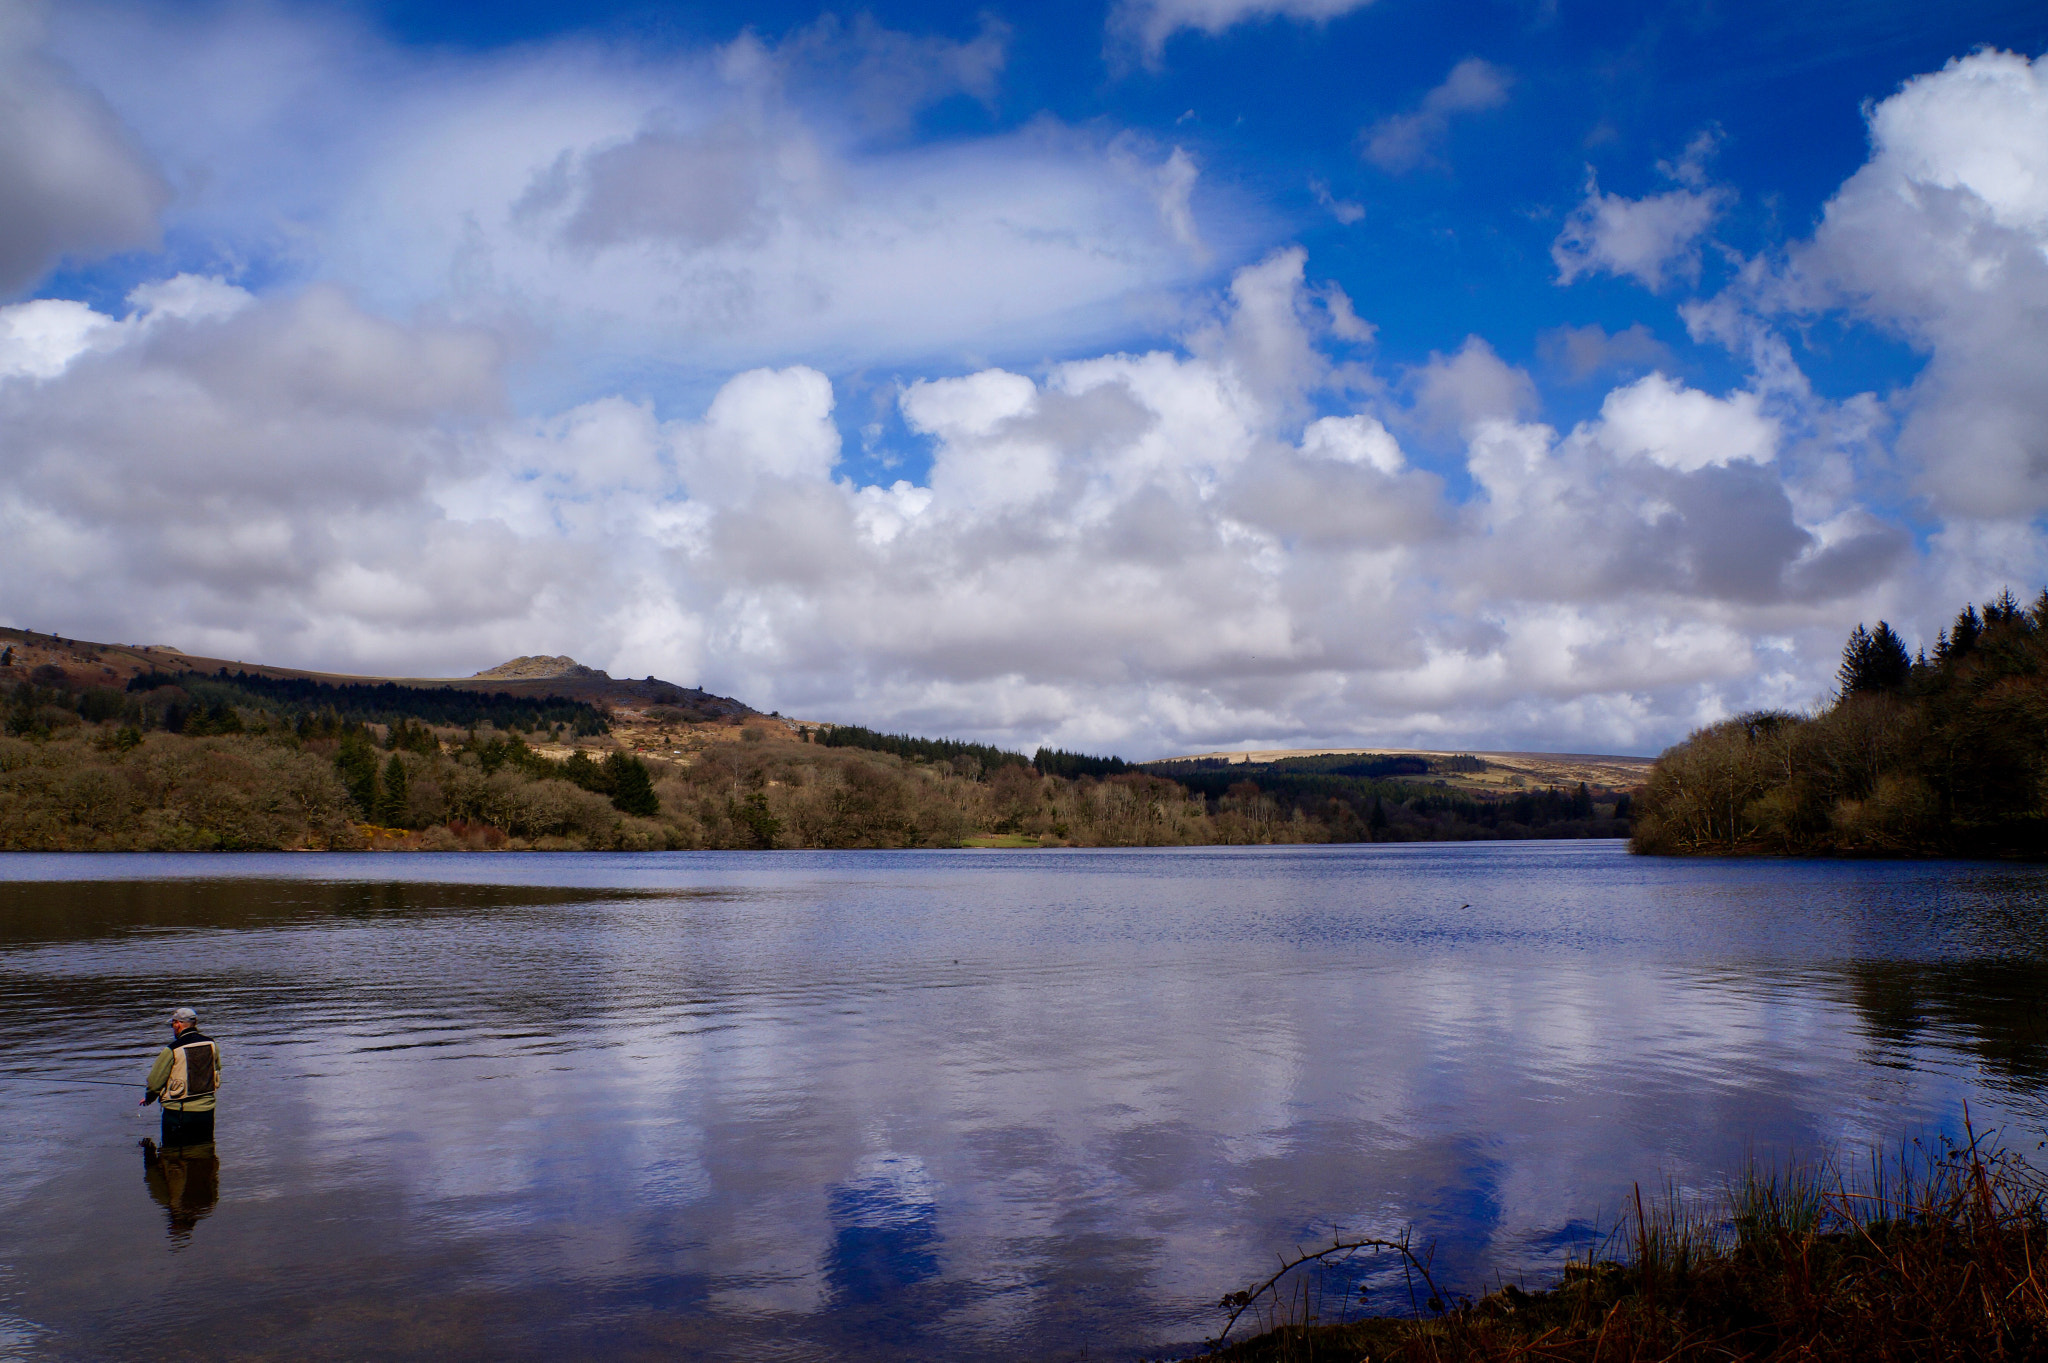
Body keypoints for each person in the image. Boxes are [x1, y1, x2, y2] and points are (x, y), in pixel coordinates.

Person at [140, 1006, 221, 1148]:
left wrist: (149, 1098)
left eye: (173, 1024)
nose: (173, 1028)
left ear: (178, 1024)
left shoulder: (172, 1049)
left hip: (178, 1115)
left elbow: (154, 1083)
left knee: (172, 1159)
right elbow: (217, 1069)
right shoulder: (211, 1044)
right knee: (203, 1154)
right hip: (206, 1113)